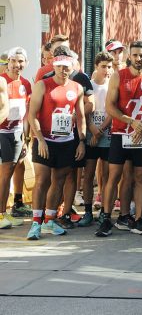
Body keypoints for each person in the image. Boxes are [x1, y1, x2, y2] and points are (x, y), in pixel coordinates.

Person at [95, 41, 142, 237]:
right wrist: (131, 122)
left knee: (141, 178)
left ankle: (138, 219)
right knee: (114, 176)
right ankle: (106, 218)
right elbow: (110, 106)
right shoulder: (118, 76)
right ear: (129, 56)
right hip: (120, 134)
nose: (138, 58)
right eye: (135, 55)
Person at [26, 49, 86, 240]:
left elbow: (81, 117)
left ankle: (50, 220)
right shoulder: (42, 85)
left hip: (66, 141)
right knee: (42, 180)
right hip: (45, 140)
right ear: (54, 66)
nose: (63, 70)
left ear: (72, 67)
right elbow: (32, 115)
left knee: (59, 181)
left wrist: (81, 142)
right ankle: (36, 222)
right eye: (59, 66)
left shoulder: (77, 88)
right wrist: (40, 139)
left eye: (66, 67)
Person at [77, 52, 113, 227]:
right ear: (96, 67)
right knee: (88, 175)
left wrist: (102, 129)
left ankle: (104, 212)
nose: (107, 70)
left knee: (106, 176)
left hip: (107, 134)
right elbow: (86, 108)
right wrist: (92, 129)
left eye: (109, 67)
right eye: (104, 66)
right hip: (91, 134)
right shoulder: (89, 85)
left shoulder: (112, 85)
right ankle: (88, 211)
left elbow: (113, 110)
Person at [0, 48, 29, 229]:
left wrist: (26, 136)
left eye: (21, 62)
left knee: (10, 172)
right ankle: (1, 214)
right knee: (4, 175)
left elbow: (26, 112)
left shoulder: (26, 83)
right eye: (14, 61)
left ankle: (5, 212)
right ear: (8, 62)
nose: (17, 65)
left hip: (17, 132)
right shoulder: (3, 81)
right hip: (3, 133)